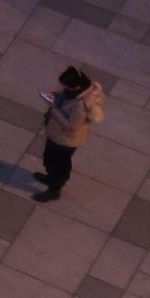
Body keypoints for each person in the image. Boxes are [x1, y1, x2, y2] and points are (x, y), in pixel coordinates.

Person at [34, 66, 104, 199]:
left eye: (66, 86)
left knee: (58, 165)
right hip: (58, 135)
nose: (63, 88)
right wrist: (56, 96)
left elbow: (72, 126)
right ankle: (51, 178)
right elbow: (66, 99)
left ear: (76, 86)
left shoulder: (81, 105)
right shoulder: (76, 91)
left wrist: (53, 108)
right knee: (49, 159)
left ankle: (54, 190)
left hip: (66, 140)